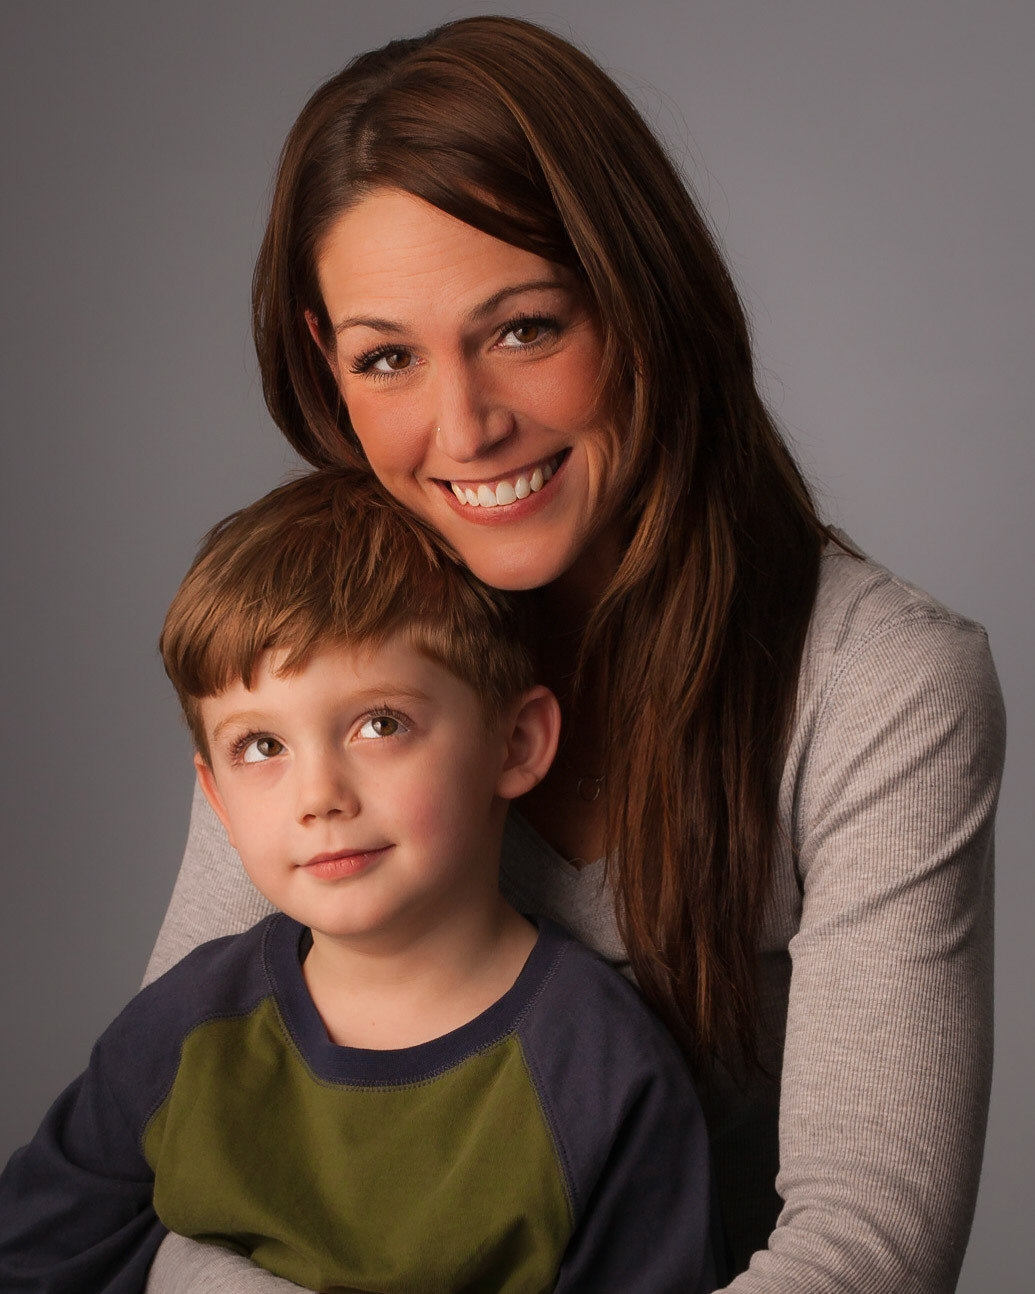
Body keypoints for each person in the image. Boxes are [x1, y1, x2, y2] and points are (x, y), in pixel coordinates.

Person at [142, 15, 1006, 1294]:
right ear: (330, 367)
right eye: (389, 356)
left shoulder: (881, 684)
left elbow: (867, 1243)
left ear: (641, 298)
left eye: (525, 329)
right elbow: (176, 1164)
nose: (466, 425)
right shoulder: (314, 654)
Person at [0, 468, 718, 1294]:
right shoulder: (185, 1028)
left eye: (381, 724)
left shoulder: (602, 1071)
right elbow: (30, 1264)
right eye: (261, 747)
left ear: (516, 742)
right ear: (217, 800)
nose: (319, 798)